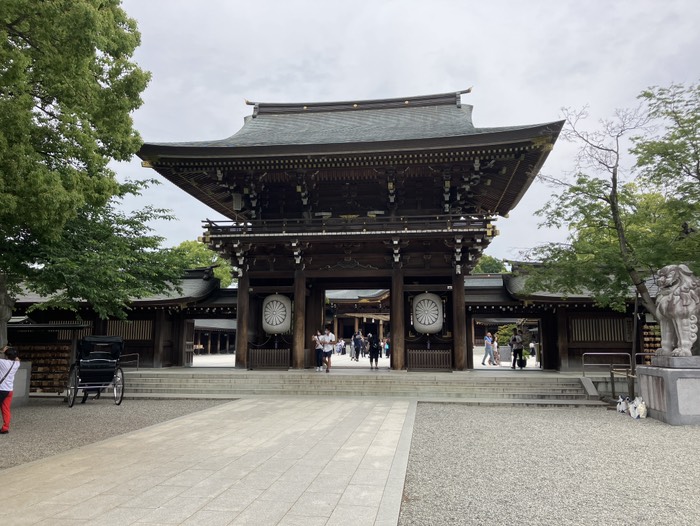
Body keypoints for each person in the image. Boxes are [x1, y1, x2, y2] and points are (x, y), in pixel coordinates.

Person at [0, 345, 20, 434]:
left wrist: (2, 351)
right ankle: (5, 428)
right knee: (6, 409)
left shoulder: (2, 362)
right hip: (9, 390)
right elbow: (17, 359)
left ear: (6, 355)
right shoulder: (16, 364)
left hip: (1, 389)